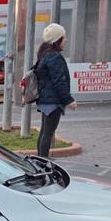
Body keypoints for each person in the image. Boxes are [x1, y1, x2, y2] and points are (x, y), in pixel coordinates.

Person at [31, 22, 76, 157]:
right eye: (63, 37)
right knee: (48, 133)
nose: (66, 40)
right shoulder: (54, 57)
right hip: (52, 101)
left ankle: (40, 161)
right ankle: (43, 162)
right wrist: (69, 100)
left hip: (46, 99)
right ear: (57, 40)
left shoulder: (45, 54)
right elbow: (59, 81)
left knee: (45, 132)